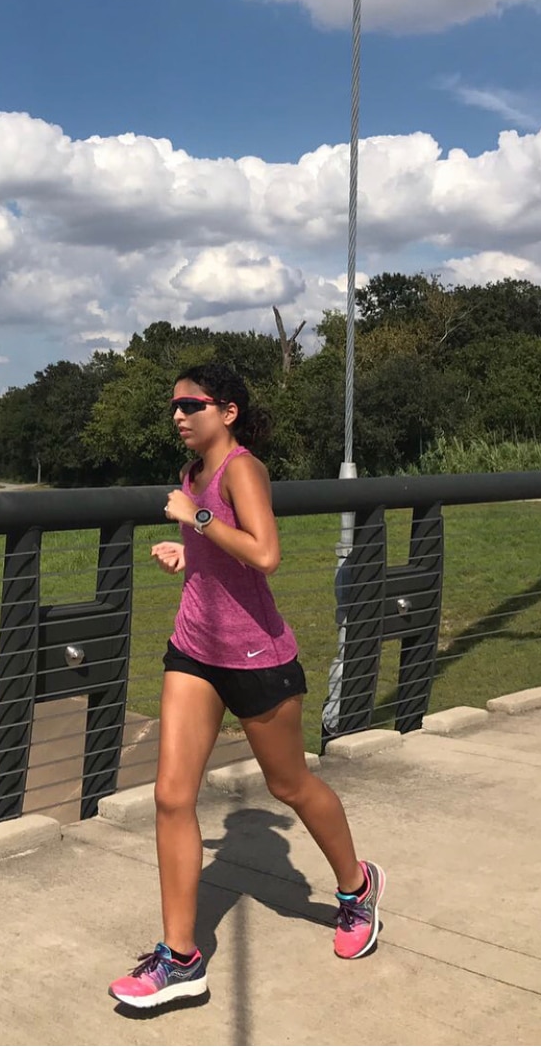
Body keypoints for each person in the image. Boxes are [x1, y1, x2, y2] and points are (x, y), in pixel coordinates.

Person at [108, 362, 384, 1010]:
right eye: (173, 406)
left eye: (191, 404)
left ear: (226, 411)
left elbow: (264, 553)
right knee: (171, 796)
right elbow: (220, 556)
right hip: (194, 651)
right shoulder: (192, 473)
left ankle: (356, 886)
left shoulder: (238, 468)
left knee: (289, 783)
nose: (178, 414)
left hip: (256, 656)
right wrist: (187, 553)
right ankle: (180, 959)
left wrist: (197, 520)